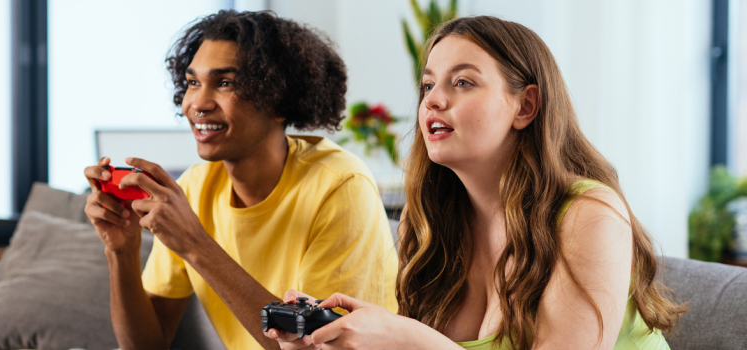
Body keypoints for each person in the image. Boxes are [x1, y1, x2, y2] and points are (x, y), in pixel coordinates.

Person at [268, 16, 686, 350]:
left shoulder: (589, 215)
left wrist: (410, 340)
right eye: (428, 85)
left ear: (525, 106)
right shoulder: (432, 219)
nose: (432, 99)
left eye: (463, 82)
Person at [83, 10, 398, 350]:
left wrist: (195, 244)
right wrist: (122, 251)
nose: (197, 104)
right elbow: (146, 344)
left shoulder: (341, 186)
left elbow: (316, 347)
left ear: (278, 99)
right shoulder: (194, 187)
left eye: (225, 83)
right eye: (192, 82)